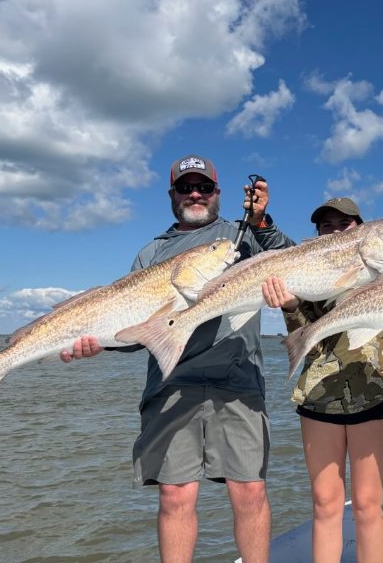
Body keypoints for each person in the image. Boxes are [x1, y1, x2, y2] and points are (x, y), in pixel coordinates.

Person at [61, 154, 295, 563]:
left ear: (218, 194)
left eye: (204, 187)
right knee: (174, 495)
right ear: (172, 195)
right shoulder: (152, 253)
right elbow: (135, 335)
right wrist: (101, 343)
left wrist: (263, 221)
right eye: (186, 187)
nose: (195, 194)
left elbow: (293, 261)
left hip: (238, 381)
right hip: (171, 383)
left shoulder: (241, 237)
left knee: (250, 490)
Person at [260, 197, 383, 563]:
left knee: (368, 503)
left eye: (344, 223)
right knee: (324, 503)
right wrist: (290, 306)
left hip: (375, 388)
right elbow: (303, 334)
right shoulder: (309, 273)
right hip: (319, 393)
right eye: (326, 226)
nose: (334, 230)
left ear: (362, 228)